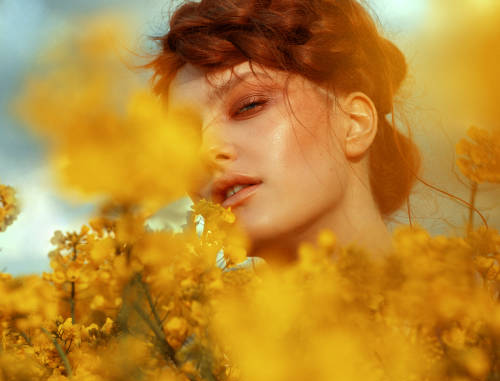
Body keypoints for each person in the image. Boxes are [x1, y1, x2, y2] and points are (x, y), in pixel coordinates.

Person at [142, 0, 421, 265]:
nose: (206, 151)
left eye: (249, 106)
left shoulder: (460, 309)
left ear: (355, 123)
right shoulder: (151, 313)